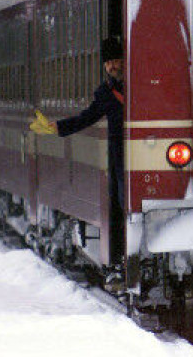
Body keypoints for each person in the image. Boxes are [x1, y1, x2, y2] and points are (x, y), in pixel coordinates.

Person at [30, 37, 125, 263]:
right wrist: (57, 127)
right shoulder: (105, 93)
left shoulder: (143, 85)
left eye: (115, 60)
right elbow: (87, 117)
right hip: (119, 158)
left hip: (141, 155)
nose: (111, 66)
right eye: (107, 62)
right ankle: (120, 257)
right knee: (120, 202)